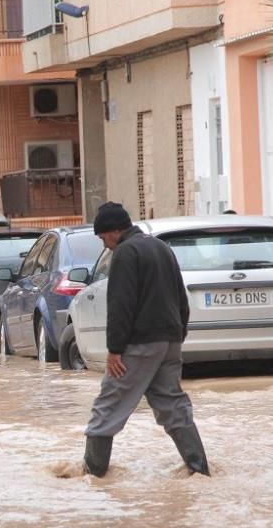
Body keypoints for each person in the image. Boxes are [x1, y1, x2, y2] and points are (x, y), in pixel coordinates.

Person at [82, 202, 210, 478]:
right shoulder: (161, 247)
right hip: (170, 341)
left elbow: (121, 305)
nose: (105, 245)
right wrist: (178, 334)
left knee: (108, 405)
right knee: (173, 405)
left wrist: (115, 350)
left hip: (139, 344)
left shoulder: (126, 253)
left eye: (103, 237)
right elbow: (180, 296)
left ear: (115, 230)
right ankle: (199, 470)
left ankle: (93, 475)